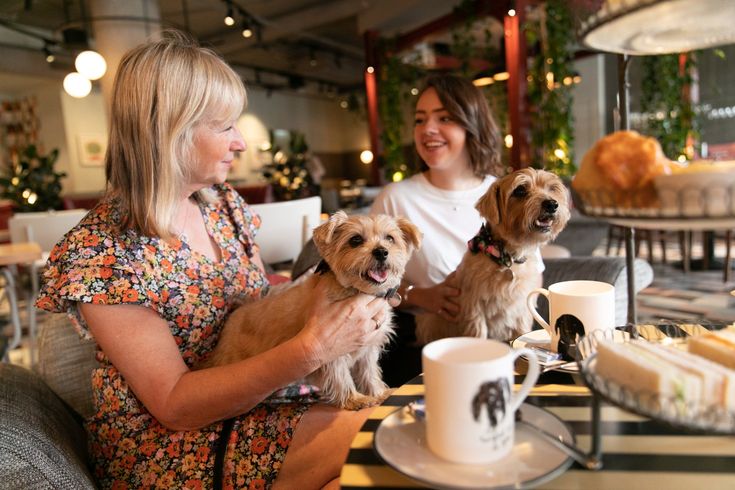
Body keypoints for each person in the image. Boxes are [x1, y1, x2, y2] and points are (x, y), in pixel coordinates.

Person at [36, 32, 395, 490]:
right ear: (171, 130)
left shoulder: (221, 205)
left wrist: (330, 290)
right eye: (225, 126)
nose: (241, 142)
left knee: (385, 422)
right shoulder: (102, 252)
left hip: (261, 401)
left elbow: (256, 295)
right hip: (169, 444)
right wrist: (314, 347)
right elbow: (175, 404)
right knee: (376, 436)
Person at [370, 74, 508, 386]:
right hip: (429, 346)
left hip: (501, 339)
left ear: (471, 124)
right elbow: (366, 284)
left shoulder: (502, 193)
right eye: (420, 120)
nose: (428, 129)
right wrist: (422, 296)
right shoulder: (396, 199)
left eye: (444, 118)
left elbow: (532, 270)